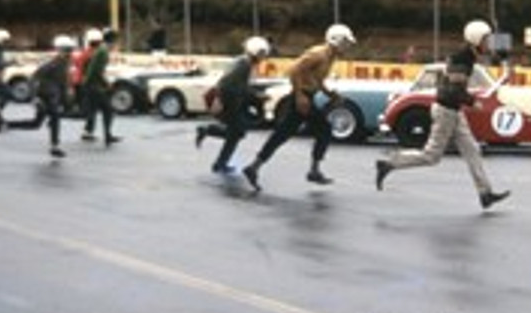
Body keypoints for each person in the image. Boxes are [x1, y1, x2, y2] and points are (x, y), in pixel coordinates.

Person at [375, 20, 511, 210]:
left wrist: (505, 54)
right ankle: (389, 163)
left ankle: (485, 194)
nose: (490, 43)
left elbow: (497, 54)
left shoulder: (469, 56)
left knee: (472, 150)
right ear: (476, 40)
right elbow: (455, 91)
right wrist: (474, 102)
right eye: (487, 39)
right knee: (431, 156)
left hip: (454, 110)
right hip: (446, 111)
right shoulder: (461, 59)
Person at [241, 24, 357, 191]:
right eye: (346, 43)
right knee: (319, 130)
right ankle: (312, 171)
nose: (348, 47)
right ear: (337, 41)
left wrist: (330, 94)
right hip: (301, 97)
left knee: (284, 134)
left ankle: (254, 167)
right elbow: (294, 71)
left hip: (306, 97)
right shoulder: (318, 54)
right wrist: (300, 96)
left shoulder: (330, 57)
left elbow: (315, 79)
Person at [195, 35, 271, 174]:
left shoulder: (243, 61)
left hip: (232, 101)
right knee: (236, 133)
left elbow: (239, 85)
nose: (263, 57)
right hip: (231, 102)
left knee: (236, 133)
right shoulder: (244, 65)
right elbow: (231, 85)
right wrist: (256, 96)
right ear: (254, 51)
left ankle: (208, 133)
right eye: (261, 53)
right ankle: (219, 161)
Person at [0, 35, 75, 158]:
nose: (69, 53)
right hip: (44, 97)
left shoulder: (65, 64)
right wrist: (35, 97)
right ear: (59, 50)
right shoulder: (51, 64)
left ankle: (5, 125)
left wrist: (66, 100)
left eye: (70, 50)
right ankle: (54, 147)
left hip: (53, 97)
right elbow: (33, 79)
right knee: (53, 118)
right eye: (66, 50)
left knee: (36, 124)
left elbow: (63, 84)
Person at [80, 27, 120, 145]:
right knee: (108, 110)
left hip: (91, 84)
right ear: (112, 40)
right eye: (116, 41)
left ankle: (94, 133)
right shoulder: (103, 52)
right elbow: (97, 72)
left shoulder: (101, 50)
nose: (116, 44)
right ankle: (107, 136)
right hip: (93, 85)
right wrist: (106, 84)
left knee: (95, 109)